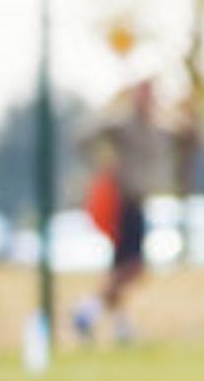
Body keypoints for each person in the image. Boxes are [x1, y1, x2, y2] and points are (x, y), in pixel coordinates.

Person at [73, 79, 172, 344]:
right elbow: (84, 137)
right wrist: (102, 166)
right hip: (124, 203)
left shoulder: (156, 127)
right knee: (134, 266)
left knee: (120, 269)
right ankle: (87, 311)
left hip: (140, 202)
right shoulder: (123, 125)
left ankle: (120, 326)